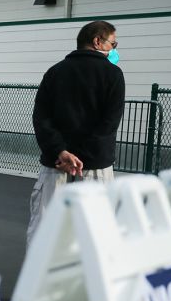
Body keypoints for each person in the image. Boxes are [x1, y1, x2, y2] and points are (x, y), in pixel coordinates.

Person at [28, 20, 125, 245]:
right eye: (113, 43)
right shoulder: (113, 75)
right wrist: (79, 157)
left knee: (45, 234)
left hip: (56, 166)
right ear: (97, 41)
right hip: (95, 168)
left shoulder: (54, 72)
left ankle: (41, 280)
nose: (114, 49)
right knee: (96, 236)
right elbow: (109, 124)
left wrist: (61, 152)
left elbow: (41, 119)